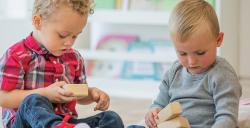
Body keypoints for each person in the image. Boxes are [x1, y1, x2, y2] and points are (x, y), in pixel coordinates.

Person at [0, 0, 124, 128]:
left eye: (75, 36)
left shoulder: (74, 57)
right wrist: (45, 93)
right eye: (62, 35)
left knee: (110, 118)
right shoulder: (17, 55)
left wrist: (92, 94)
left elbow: (78, 93)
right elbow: (3, 98)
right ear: (38, 22)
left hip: (66, 122)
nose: (69, 42)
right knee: (33, 100)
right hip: (26, 124)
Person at [145, 0, 242, 128]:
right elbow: (159, 103)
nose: (191, 62)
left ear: (218, 40)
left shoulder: (222, 75)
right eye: (182, 54)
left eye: (200, 53)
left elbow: (227, 118)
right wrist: (153, 111)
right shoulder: (174, 72)